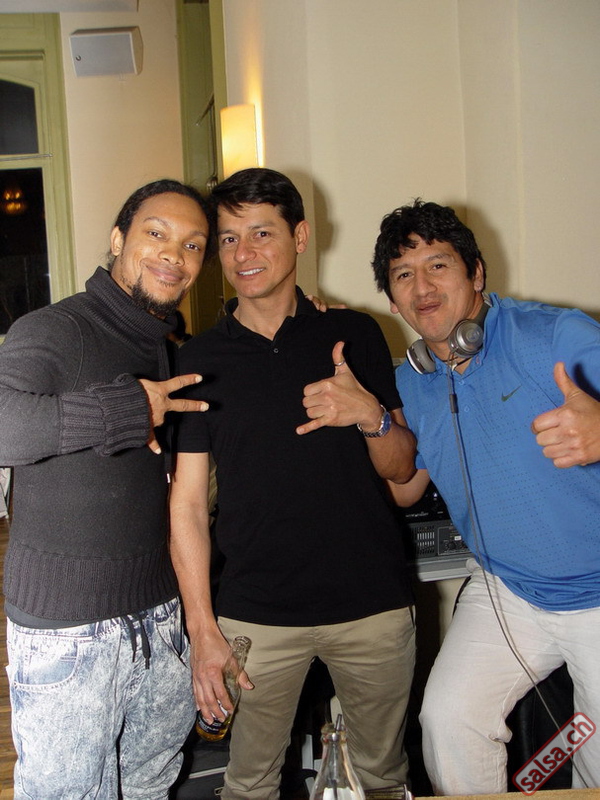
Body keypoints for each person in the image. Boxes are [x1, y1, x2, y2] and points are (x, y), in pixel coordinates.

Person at [169, 167, 417, 800]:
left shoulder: (356, 334)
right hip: (257, 613)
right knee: (249, 784)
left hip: (371, 605)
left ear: (300, 236)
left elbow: (400, 467)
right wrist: (203, 628)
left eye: (261, 233)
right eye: (229, 239)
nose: (243, 254)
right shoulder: (198, 361)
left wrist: (369, 414)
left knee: (381, 781)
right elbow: (188, 506)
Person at [370, 198, 600, 795]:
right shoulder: (413, 380)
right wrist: (371, 418)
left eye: (438, 265)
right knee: (449, 721)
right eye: (403, 275)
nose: (422, 287)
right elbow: (407, 488)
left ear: (476, 273)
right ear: (392, 301)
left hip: (598, 593)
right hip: (508, 589)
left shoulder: (554, 335)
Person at [0, 179, 212, 799]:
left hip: (159, 619)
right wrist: (126, 408)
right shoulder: (55, 328)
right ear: (118, 240)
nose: (174, 253)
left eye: (193, 244)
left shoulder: (163, 344)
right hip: (69, 629)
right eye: (156, 233)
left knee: (149, 786)